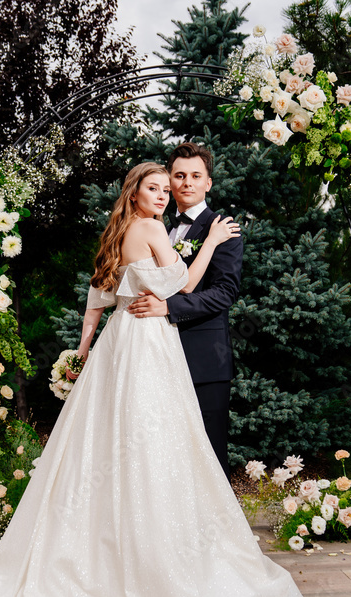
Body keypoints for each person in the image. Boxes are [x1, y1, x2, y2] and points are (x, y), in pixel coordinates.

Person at [0, 162, 309, 597]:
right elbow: (187, 285)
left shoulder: (116, 233)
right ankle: (149, 557)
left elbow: (97, 298)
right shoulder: (153, 227)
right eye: (154, 187)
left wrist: (84, 350)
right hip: (151, 344)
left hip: (118, 345)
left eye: (165, 187)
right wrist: (211, 243)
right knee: (158, 436)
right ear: (136, 194)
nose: (163, 193)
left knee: (109, 435)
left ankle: (103, 552)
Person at [128, 143, 241, 478]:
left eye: (195, 175)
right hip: (155, 355)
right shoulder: (155, 225)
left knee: (208, 452)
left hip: (205, 359)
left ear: (208, 183)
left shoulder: (223, 230)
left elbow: (225, 293)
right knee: (161, 452)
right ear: (169, 181)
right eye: (179, 175)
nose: (186, 182)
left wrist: (168, 307)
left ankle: (216, 529)